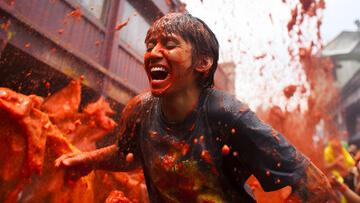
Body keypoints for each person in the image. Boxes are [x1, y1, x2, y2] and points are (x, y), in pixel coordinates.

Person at [55, 13, 331, 202]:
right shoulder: (140, 110)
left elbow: (315, 184)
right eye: (150, 45)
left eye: (169, 44)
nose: (153, 53)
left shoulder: (228, 115)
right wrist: (89, 160)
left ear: (202, 63)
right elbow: (127, 154)